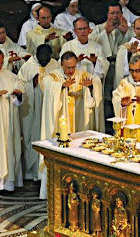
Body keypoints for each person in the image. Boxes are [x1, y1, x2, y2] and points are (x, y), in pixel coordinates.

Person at [39, 51, 104, 199]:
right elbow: (47, 86)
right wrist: (61, 86)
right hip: (61, 124)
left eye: (73, 67)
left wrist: (92, 85)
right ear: (61, 65)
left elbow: (96, 80)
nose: (70, 71)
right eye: (67, 67)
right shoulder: (53, 76)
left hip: (79, 124)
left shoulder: (82, 75)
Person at [89, 1, 134, 133]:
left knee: (120, 98)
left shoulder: (127, 28)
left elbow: (134, 43)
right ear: (107, 14)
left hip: (121, 68)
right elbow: (90, 43)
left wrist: (126, 33)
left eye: (118, 13)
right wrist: (106, 32)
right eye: (112, 13)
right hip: (104, 67)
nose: (115, 16)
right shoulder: (98, 29)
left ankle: (120, 128)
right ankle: (106, 128)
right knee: (105, 99)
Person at [18, 44, 59, 181]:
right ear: (36, 54)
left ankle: (46, 172)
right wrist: (32, 84)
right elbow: (19, 86)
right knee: (32, 136)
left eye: (47, 58)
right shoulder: (28, 66)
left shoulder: (54, 64)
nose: (45, 61)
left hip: (48, 109)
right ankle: (32, 172)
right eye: (42, 58)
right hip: (32, 110)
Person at [0, 49, 24, 194]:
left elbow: (18, 92)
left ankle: (8, 184)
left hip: (8, 120)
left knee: (9, 148)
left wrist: (17, 94)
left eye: (0, 63)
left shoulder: (9, 75)